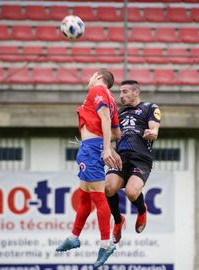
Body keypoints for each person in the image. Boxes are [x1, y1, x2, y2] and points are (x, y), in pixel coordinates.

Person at [55, 69, 122, 268]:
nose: (89, 79)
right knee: (84, 194)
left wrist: (105, 148)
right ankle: (74, 236)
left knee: (98, 196)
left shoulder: (97, 90)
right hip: (92, 147)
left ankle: (105, 243)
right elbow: (117, 132)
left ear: (99, 77)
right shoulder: (111, 99)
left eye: (91, 75)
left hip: (92, 149)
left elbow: (105, 119)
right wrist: (107, 144)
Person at [105, 80, 161, 243]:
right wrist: (109, 148)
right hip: (121, 158)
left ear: (136, 92)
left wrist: (153, 132)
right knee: (108, 188)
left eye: (125, 92)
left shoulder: (150, 107)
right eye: (120, 92)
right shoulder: (117, 112)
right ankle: (118, 220)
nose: (121, 95)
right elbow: (108, 135)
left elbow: (154, 128)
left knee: (131, 192)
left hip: (141, 159)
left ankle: (142, 211)